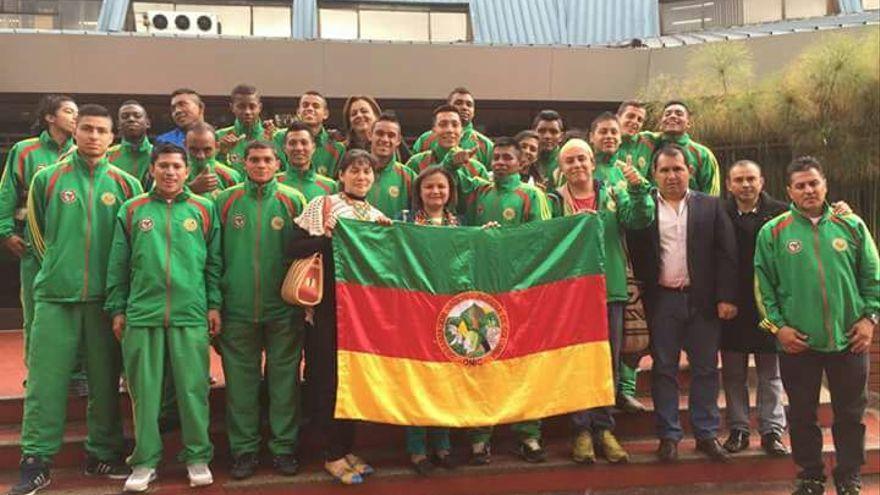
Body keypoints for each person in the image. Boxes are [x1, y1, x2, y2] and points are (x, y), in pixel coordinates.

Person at [9, 104, 143, 495]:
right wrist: (59, 269)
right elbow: (37, 235)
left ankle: (101, 453)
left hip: (104, 301)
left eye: (102, 130)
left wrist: (115, 292)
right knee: (46, 382)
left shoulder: (125, 184)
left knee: (104, 383)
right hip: (56, 297)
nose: (94, 136)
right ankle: (35, 461)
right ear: (76, 132)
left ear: (112, 136)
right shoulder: (46, 180)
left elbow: (131, 245)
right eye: (87, 129)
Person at [755, 156, 879, 495]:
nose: (808, 190)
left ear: (824, 185)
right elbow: (762, 287)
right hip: (798, 342)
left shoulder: (851, 225)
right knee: (802, 414)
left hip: (849, 338)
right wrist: (778, 328)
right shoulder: (773, 231)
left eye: (814, 183)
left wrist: (870, 319)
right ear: (789, 191)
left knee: (851, 414)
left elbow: (873, 277)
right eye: (801, 185)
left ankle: (849, 475)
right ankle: (810, 475)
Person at [105, 142, 220, 492]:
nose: (170, 172)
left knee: (192, 389)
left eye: (176, 167)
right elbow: (117, 265)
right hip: (143, 314)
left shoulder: (204, 209)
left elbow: (214, 264)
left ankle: (197, 456)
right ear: (152, 169)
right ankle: (144, 461)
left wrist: (213, 304)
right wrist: (118, 307)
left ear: (187, 172)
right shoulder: (132, 209)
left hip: (190, 313)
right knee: (145, 392)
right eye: (164, 166)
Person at [628, 144, 737, 464]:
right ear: (654, 175)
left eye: (678, 169)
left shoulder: (710, 206)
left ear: (689, 171)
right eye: (664, 170)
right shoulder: (645, 209)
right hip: (663, 301)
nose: (672, 175)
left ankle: (706, 434)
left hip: (703, 302)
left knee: (705, 369)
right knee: (664, 370)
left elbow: (727, 253)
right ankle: (669, 436)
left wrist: (726, 297)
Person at [547, 139, 654, 465]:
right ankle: (580, 430)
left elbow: (640, 220)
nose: (577, 165)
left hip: (611, 292)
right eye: (569, 161)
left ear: (593, 162)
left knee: (607, 361)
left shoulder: (613, 193)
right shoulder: (553, 201)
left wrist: (638, 189)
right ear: (560, 169)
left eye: (582, 158)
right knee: (578, 362)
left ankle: (604, 428)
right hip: (571, 294)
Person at [287, 149, 390, 485]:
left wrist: (389, 236)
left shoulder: (375, 215)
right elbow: (293, 248)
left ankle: (346, 448)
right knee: (326, 380)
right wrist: (326, 238)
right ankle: (331, 453)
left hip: (359, 316)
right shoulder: (323, 205)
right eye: (354, 170)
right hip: (326, 309)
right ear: (341, 174)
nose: (361, 177)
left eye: (367, 172)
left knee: (352, 381)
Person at [446, 136, 550, 464]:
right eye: (497, 158)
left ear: (522, 163)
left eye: (508, 158)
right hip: (481, 293)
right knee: (481, 362)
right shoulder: (479, 191)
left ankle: (529, 435)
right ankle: (480, 436)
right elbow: (443, 182)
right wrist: (453, 160)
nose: (501, 163)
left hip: (519, 293)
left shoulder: (531, 195)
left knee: (524, 364)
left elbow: (541, 242)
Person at [214, 141, 307, 480]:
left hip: (283, 309)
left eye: (268, 159)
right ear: (243, 163)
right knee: (241, 385)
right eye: (254, 159)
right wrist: (216, 302)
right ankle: (244, 450)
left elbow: (306, 257)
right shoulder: (224, 202)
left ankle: (284, 449)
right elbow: (213, 258)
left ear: (277, 162)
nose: (261, 165)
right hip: (236, 309)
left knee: (284, 383)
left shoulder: (293, 200)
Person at [0, 94, 77, 369]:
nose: (75, 117)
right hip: (33, 245)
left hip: (73, 246)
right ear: (49, 117)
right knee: (36, 311)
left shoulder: (82, 151)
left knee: (76, 311)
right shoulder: (24, 150)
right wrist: (6, 231)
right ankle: (37, 372)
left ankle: (76, 372)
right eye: (69, 111)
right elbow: (7, 194)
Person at [720, 160, 789, 457]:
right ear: (729, 185)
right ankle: (738, 429)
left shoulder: (782, 213)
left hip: (769, 307)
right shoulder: (719, 213)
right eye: (739, 180)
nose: (746, 185)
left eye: (751, 179)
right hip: (732, 307)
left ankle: (772, 430)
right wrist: (721, 298)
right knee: (733, 374)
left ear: (762, 182)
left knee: (769, 374)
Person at [587, 112, 650, 413]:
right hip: (579, 276)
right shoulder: (574, 171)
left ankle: (617, 395)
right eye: (603, 132)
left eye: (614, 131)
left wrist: (638, 190)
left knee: (620, 340)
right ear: (592, 137)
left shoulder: (627, 174)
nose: (609, 136)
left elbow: (638, 219)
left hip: (616, 270)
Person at [402, 166, 458, 475]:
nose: (435, 192)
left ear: (450, 191)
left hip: (449, 311)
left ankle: (443, 444)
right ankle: (417, 448)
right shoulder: (405, 221)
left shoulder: (460, 224)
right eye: (429, 188)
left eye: (441, 187)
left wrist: (487, 235)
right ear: (418, 192)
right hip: (415, 311)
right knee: (417, 379)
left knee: (445, 380)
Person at [613, 100, 653, 412]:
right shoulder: (591, 162)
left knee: (635, 325)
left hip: (639, 246)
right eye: (630, 116)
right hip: (605, 255)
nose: (635, 122)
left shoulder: (650, 147)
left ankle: (625, 388)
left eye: (640, 118)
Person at [649, 101, 721, 196]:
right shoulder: (648, 148)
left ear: (688, 123)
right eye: (667, 114)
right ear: (661, 123)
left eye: (679, 114)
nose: (672, 116)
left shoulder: (703, 154)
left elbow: (711, 193)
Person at [412, 87, 493, 169]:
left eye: (469, 105)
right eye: (459, 103)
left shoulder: (485, 145)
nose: (464, 107)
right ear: (448, 106)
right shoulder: (425, 139)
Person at [272, 91, 345, 177]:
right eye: (305, 105)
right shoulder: (280, 137)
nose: (310, 109)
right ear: (298, 112)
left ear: (325, 114)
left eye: (316, 106)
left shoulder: (336, 147)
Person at [406, 105, 488, 179]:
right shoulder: (416, 163)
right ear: (433, 130)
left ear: (462, 131)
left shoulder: (477, 169)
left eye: (455, 125)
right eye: (443, 124)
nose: (449, 130)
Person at [216, 84, 275, 174]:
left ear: (260, 107)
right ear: (232, 107)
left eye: (252, 106)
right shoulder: (219, 136)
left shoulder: (274, 136)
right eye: (241, 106)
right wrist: (221, 154)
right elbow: (214, 172)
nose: (247, 111)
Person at [365, 112, 414, 219]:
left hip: (395, 235)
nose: (385, 139)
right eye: (380, 133)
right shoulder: (355, 172)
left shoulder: (409, 177)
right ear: (370, 135)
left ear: (398, 140)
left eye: (391, 135)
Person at [277, 121, 338, 201]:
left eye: (304, 143)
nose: (299, 148)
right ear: (284, 148)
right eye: (292, 143)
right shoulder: (274, 183)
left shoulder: (330, 186)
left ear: (313, 147)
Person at [185, 123, 241, 200]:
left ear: (217, 147)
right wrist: (191, 189)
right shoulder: (175, 174)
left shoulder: (231, 176)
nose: (201, 156)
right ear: (185, 145)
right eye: (194, 150)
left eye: (207, 150)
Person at [107, 100, 153, 187]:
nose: (131, 119)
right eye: (125, 116)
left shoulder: (157, 155)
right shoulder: (107, 155)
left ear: (148, 123)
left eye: (137, 116)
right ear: (118, 125)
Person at [615, 100, 654, 179]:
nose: (635, 122)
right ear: (617, 118)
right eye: (630, 116)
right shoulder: (606, 142)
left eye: (639, 120)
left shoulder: (648, 140)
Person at [532, 110, 565, 189]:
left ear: (561, 136)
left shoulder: (567, 162)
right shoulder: (523, 162)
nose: (547, 136)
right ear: (533, 133)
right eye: (542, 131)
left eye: (553, 132)